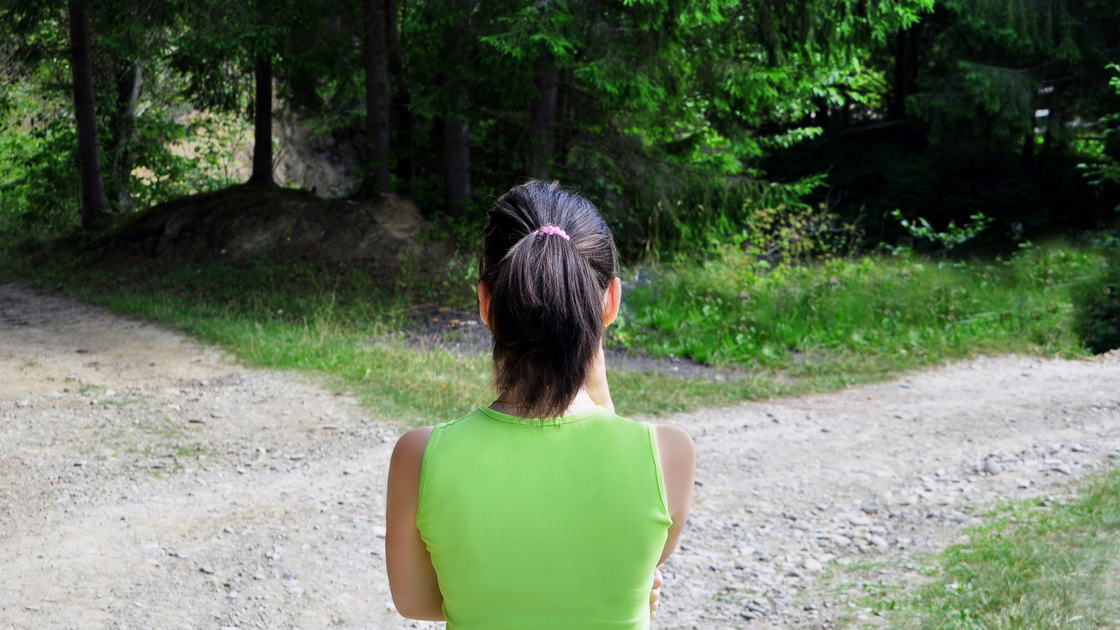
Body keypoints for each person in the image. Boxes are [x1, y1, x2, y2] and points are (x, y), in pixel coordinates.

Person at [385, 180, 696, 629]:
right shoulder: (668, 455)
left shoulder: (419, 456)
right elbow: (631, 570)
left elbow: (416, 602)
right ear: (611, 301)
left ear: (485, 302)